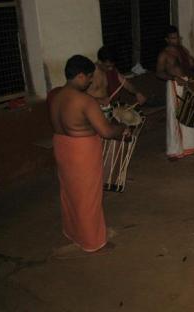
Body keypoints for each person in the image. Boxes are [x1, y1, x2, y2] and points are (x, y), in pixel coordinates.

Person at [49, 55, 130, 254]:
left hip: (61, 145)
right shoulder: (85, 101)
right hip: (81, 150)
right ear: (79, 76)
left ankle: (73, 231)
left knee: (70, 192)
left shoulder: (55, 95)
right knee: (88, 196)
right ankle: (93, 241)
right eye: (89, 77)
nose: (91, 81)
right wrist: (122, 128)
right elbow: (106, 131)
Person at [156, 25, 194, 160]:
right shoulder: (164, 54)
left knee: (189, 113)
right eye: (173, 38)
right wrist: (174, 78)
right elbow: (158, 73)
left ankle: (191, 147)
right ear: (167, 39)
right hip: (174, 84)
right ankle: (174, 150)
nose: (177, 40)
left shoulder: (183, 50)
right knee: (175, 117)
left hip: (187, 83)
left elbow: (191, 64)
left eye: (177, 37)